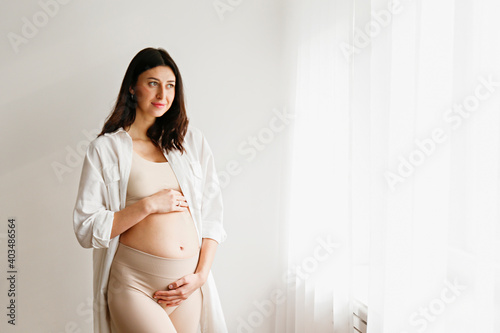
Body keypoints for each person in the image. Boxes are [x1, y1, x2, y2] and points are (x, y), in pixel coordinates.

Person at [73, 47, 228, 333]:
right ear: (132, 87)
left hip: (186, 285)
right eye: (153, 83)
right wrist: (148, 205)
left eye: (170, 86)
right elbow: (86, 227)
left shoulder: (190, 142)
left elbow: (212, 215)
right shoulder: (106, 150)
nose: (162, 95)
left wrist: (201, 276)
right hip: (134, 284)